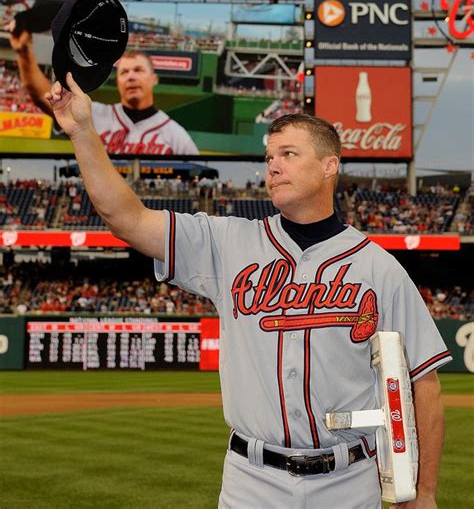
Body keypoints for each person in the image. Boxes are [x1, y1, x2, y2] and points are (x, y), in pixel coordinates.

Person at [45, 76, 451, 509]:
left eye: (289, 155)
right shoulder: (228, 242)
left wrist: (422, 492)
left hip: (349, 481)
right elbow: (125, 218)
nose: (272, 166)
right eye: (269, 156)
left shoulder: (378, 267)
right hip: (252, 481)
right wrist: (83, 132)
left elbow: (423, 384)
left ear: (330, 165)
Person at [8, 25, 199, 155]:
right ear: (118, 82)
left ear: (154, 78)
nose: (131, 76)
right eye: (124, 72)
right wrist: (23, 53)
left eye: (138, 70)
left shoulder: (177, 136)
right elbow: (41, 94)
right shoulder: (93, 114)